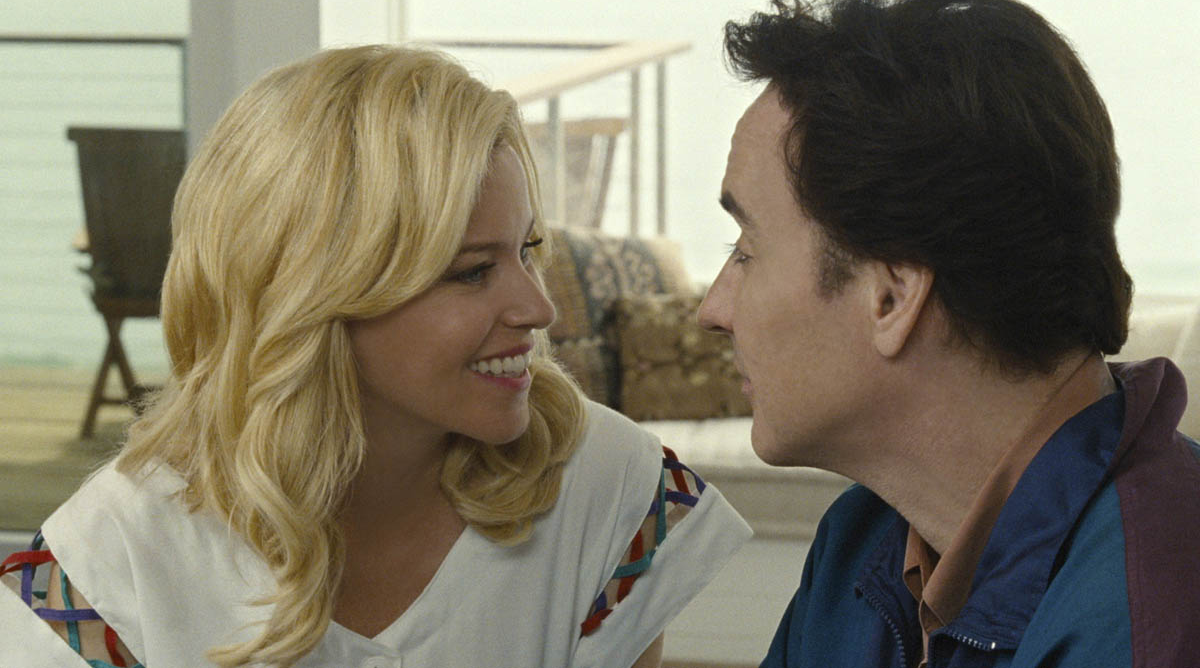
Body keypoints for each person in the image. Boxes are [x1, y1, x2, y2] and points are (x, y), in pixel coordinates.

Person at [0, 45, 751, 667]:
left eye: (527, 250)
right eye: (472, 271)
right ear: (312, 295)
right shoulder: (108, 564)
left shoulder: (609, 487)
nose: (538, 308)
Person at [697, 0, 1200, 666]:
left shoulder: (1152, 612)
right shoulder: (860, 546)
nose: (712, 309)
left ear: (892, 297)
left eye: (746, 251)